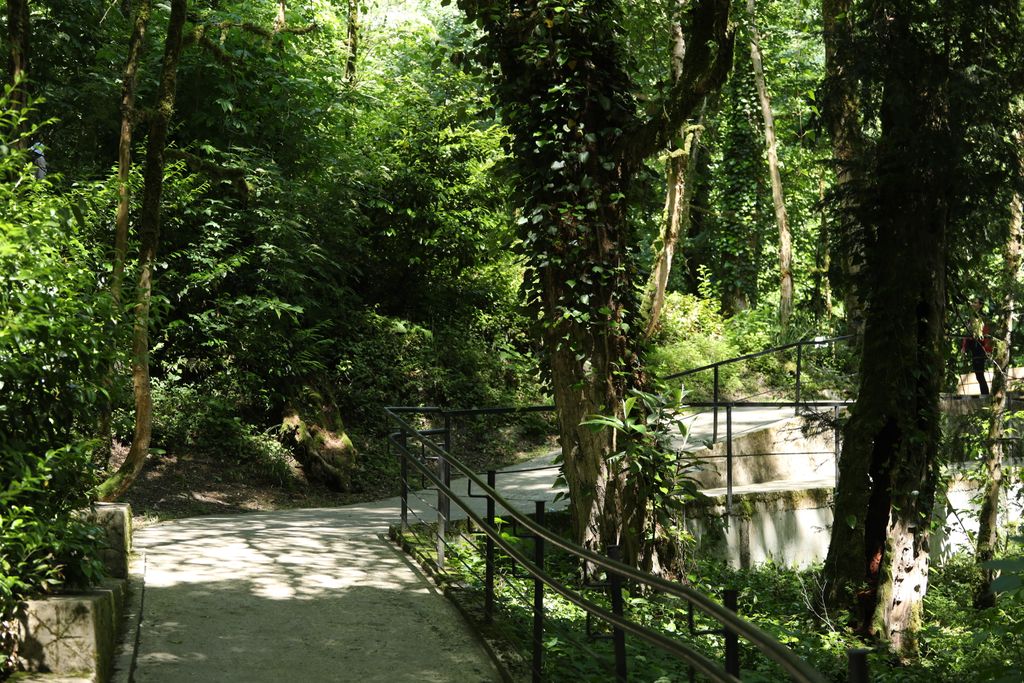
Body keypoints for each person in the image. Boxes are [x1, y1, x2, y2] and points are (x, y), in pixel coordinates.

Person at [961, 297, 992, 395]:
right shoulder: (970, 318)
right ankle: (984, 394)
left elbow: (986, 335)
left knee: (979, 373)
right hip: (973, 347)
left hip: (980, 347)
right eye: (972, 302)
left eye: (975, 303)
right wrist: (964, 348)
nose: (972, 304)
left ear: (980, 305)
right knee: (977, 373)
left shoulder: (983, 318)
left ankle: (985, 395)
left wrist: (987, 350)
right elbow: (966, 334)